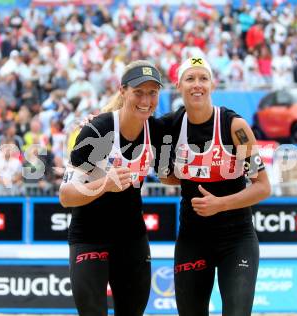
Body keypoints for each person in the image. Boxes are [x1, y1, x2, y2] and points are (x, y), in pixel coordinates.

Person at [59, 60, 171, 316]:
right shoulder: (97, 131)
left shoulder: (158, 130)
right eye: (138, 92)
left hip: (131, 238)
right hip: (90, 236)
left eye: (152, 92)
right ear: (123, 91)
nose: (146, 100)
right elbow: (65, 196)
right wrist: (104, 185)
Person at [168, 57, 271, 316]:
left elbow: (263, 187)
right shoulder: (169, 126)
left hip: (236, 239)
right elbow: (132, 121)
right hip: (193, 238)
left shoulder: (234, 126)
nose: (197, 84)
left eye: (203, 78)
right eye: (190, 78)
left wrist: (220, 204)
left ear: (212, 85)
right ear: (178, 85)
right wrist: (95, 122)